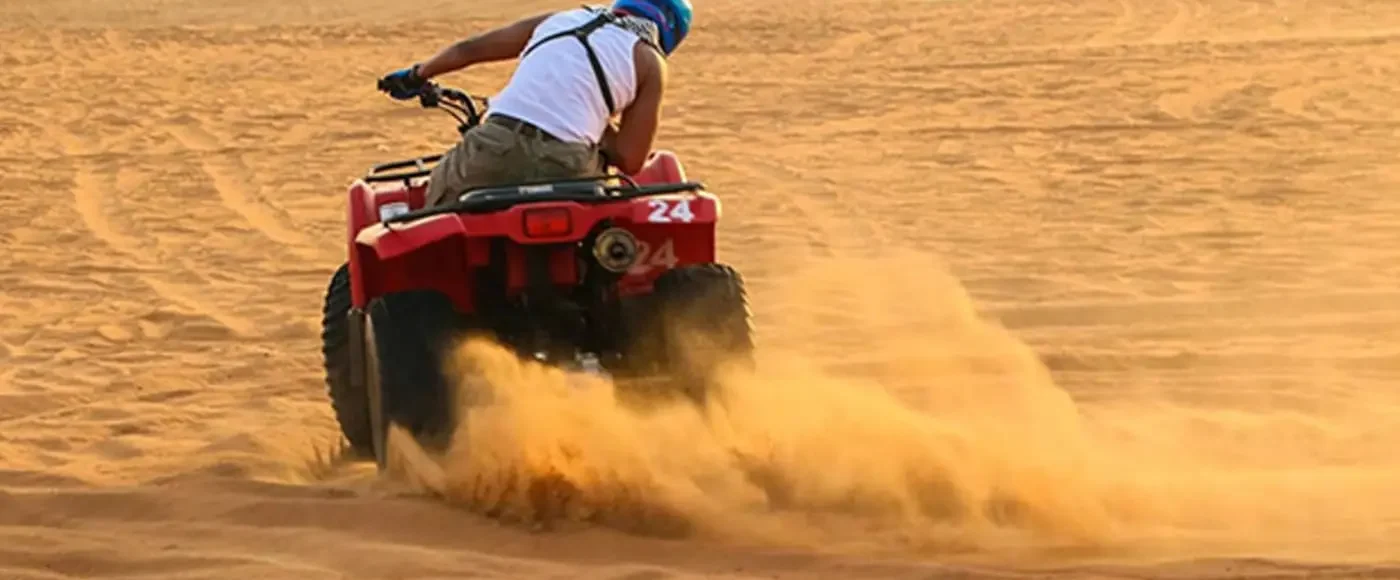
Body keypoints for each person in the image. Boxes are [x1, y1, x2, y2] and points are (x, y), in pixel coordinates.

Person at [376, 0, 693, 208]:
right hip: (569, 168)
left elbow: (468, 49)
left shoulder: (561, 19)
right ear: (670, 33)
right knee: (610, 207)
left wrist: (417, 75)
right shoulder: (650, 62)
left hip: (492, 150)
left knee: (438, 206)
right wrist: (594, 118)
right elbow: (630, 158)